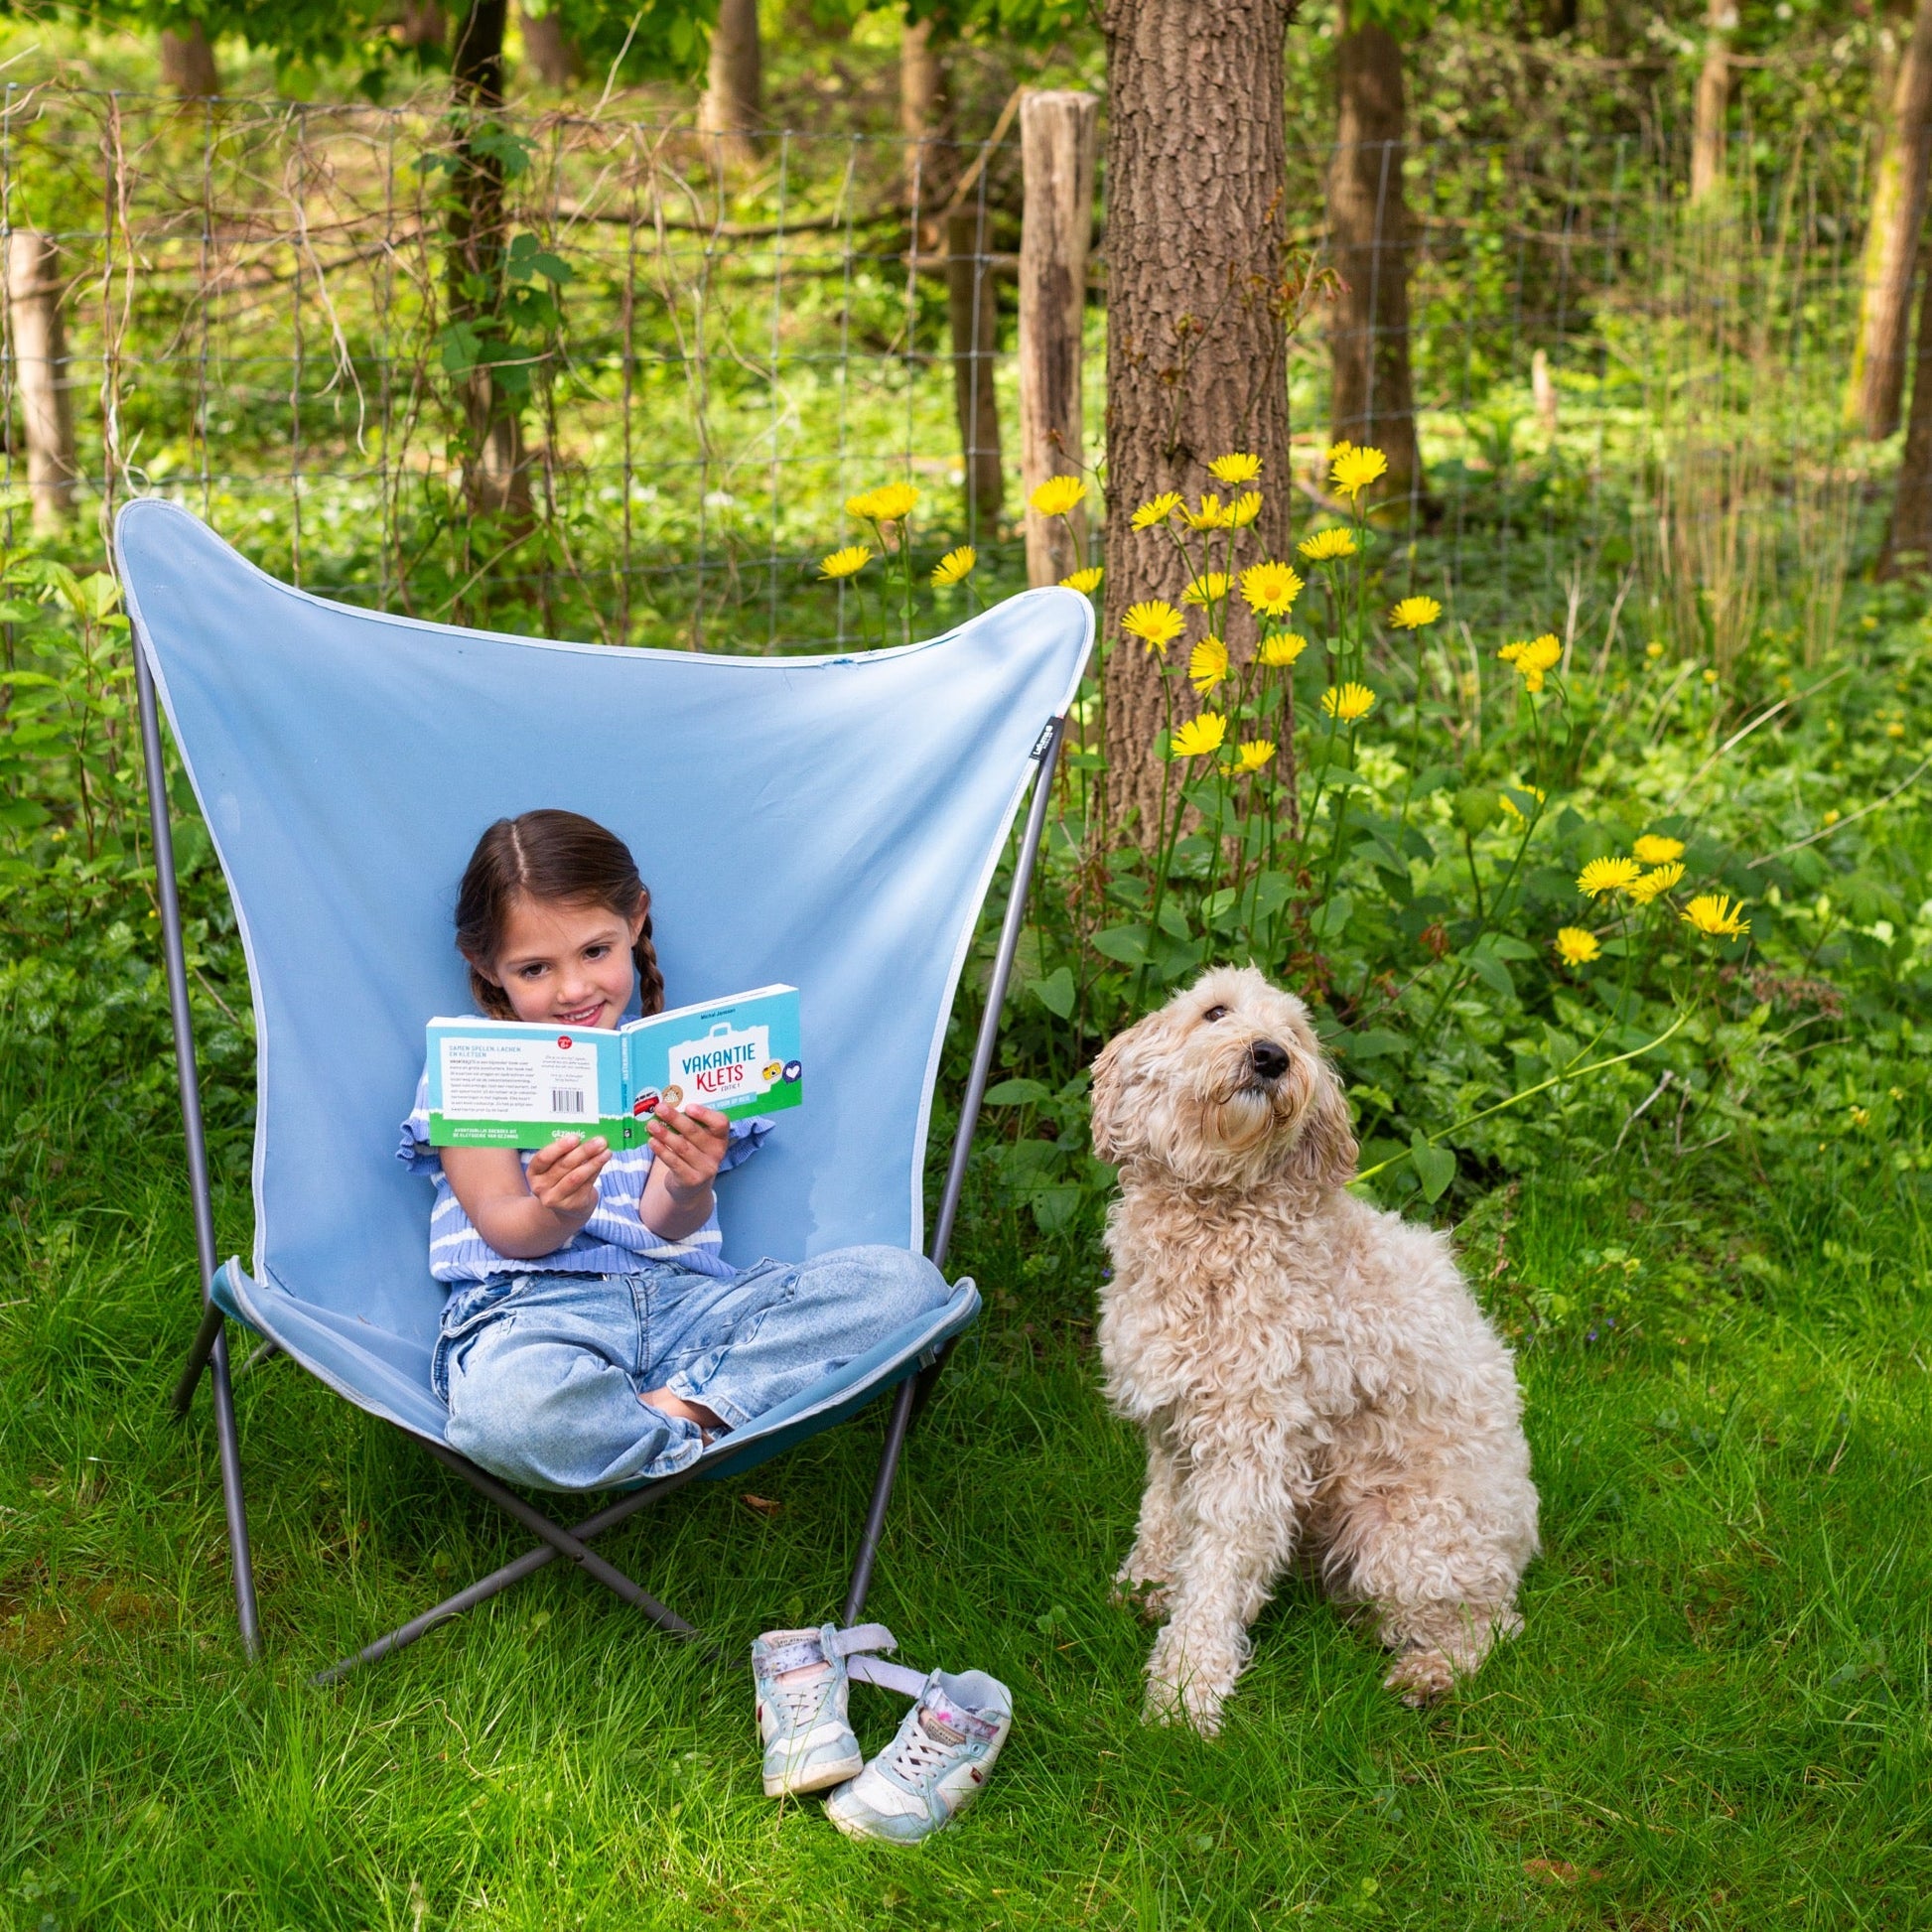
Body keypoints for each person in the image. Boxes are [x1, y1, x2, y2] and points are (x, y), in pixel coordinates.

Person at [397, 808, 951, 1490]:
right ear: (486, 965)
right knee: (510, 1412)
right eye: (535, 968)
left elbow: (668, 1222)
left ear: (635, 921)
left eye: (596, 952)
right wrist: (559, 1212)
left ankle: (663, 1415)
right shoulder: (472, 1064)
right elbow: (502, 1224)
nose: (574, 989)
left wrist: (691, 1184)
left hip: (691, 1309)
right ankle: (711, 1418)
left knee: (906, 1288)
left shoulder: (675, 1056)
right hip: (530, 1313)